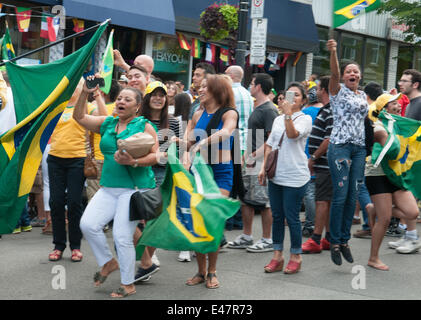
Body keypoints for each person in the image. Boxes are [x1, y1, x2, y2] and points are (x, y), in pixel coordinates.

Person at [75, 77, 159, 298]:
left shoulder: (143, 125)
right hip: (108, 188)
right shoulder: (108, 123)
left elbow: (156, 156)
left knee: (122, 236)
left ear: (137, 106)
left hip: (132, 190)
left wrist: (133, 162)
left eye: (127, 99)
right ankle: (108, 262)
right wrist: (84, 93)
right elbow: (79, 117)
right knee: (88, 224)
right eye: (120, 98)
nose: (121, 101)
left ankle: (128, 283)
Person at [182, 74, 238, 289]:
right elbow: (187, 142)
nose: (200, 89)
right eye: (200, 86)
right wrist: (180, 145)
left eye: (205, 86)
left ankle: (212, 272)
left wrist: (200, 144)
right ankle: (200, 270)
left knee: (213, 221)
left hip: (221, 172)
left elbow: (226, 132)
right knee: (198, 221)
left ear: (216, 90)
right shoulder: (197, 114)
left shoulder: (229, 112)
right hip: (199, 172)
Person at [258, 82, 312, 274]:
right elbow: (269, 145)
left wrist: (288, 114)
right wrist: (263, 167)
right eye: (290, 94)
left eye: (297, 95)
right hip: (276, 175)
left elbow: (292, 135)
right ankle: (277, 255)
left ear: (303, 100)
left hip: (296, 176)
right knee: (277, 216)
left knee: (292, 217)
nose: (292, 98)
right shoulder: (278, 119)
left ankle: (296, 256)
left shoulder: (304, 119)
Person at [365, 93, 421, 270]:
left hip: (395, 175)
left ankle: (373, 209)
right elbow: (392, 149)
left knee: (412, 212)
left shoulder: (400, 125)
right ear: (385, 109)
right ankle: (373, 258)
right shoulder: (379, 126)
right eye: (394, 104)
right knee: (385, 219)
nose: (399, 106)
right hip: (378, 174)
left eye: (399, 104)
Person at [326, 38, 368, 266]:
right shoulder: (338, 91)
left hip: (358, 149)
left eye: (356, 71)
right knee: (341, 197)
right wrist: (334, 51)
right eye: (348, 71)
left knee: (353, 197)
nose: (353, 73)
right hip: (340, 147)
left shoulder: (362, 96)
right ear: (343, 76)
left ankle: (344, 241)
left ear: (360, 76)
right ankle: (333, 241)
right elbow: (332, 74)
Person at [133, 81, 182, 276]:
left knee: (155, 220)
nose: (158, 98)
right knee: (137, 220)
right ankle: (144, 259)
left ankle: (148, 259)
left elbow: (179, 152)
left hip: (162, 174)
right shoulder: (137, 121)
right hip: (139, 172)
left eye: (162, 95)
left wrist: (175, 146)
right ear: (147, 97)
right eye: (154, 94)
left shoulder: (174, 123)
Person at [228, 73, 278, 253]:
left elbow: (273, 138)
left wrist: (255, 155)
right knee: (246, 199)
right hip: (250, 160)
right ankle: (247, 236)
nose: (249, 86)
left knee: (264, 202)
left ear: (258, 87)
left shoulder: (269, 110)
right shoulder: (258, 107)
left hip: (260, 162)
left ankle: (267, 239)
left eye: (252, 83)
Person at [47, 79, 95, 262]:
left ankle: (75, 246)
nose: (72, 87)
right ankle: (58, 246)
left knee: (74, 203)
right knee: (56, 202)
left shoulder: (87, 108)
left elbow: (104, 116)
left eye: (76, 84)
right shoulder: (56, 108)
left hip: (78, 159)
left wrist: (96, 94)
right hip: (55, 159)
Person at [302, 76, 333, 253]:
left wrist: (313, 157)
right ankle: (328, 238)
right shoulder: (326, 109)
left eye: (319, 88)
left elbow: (328, 139)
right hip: (324, 163)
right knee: (325, 200)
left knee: (321, 200)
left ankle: (315, 238)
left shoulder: (331, 111)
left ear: (324, 90)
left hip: (325, 163)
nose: (317, 91)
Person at [224, 65, 254, 231]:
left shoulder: (231, 93)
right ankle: (237, 220)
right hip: (244, 140)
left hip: (232, 140)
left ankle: (230, 220)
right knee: (238, 181)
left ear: (230, 76)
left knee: (230, 181)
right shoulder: (247, 94)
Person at [86, 80, 121, 202]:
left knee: (94, 200)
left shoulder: (95, 108)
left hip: (100, 160)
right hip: (114, 160)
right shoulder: (122, 109)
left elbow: (104, 122)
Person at [301, 85, 323, 237]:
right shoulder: (325, 111)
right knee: (319, 193)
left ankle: (310, 223)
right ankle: (317, 222)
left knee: (309, 191)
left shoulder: (305, 112)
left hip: (307, 153)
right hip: (323, 153)